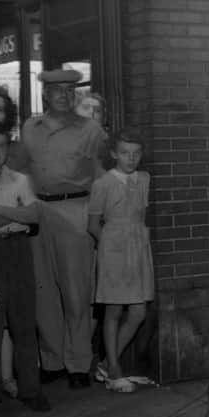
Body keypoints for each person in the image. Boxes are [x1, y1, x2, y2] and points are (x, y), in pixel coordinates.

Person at [20, 69, 108, 389]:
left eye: (70, 90)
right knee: (43, 292)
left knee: (76, 292)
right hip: (38, 211)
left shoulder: (90, 130)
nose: (64, 96)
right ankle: (52, 360)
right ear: (45, 94)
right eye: (57, 90)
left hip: (75, 209)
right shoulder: (30, 128)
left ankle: (78, 363)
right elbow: (22, 170)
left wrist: (99, 217)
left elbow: (102, 175)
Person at [0, 122, 51, 414]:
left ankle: (31, 390)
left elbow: (34, 216)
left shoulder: (20, 180)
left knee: (24, 323)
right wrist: (17, 214)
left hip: (19, 250)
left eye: (3, 145)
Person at [88, 129, 153, 392]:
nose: (131, 158)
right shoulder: (102, 184)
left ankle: (105, 364)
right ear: (114, 154)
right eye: (125, 153)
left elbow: (141, 216)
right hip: (113, 251)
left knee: (138, 312)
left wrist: (136, 243)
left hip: (138, 249)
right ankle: (114, 369)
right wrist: (111, 247)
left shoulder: (144, 179)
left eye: (136, 153)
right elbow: (93, 224)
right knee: (113, 311)